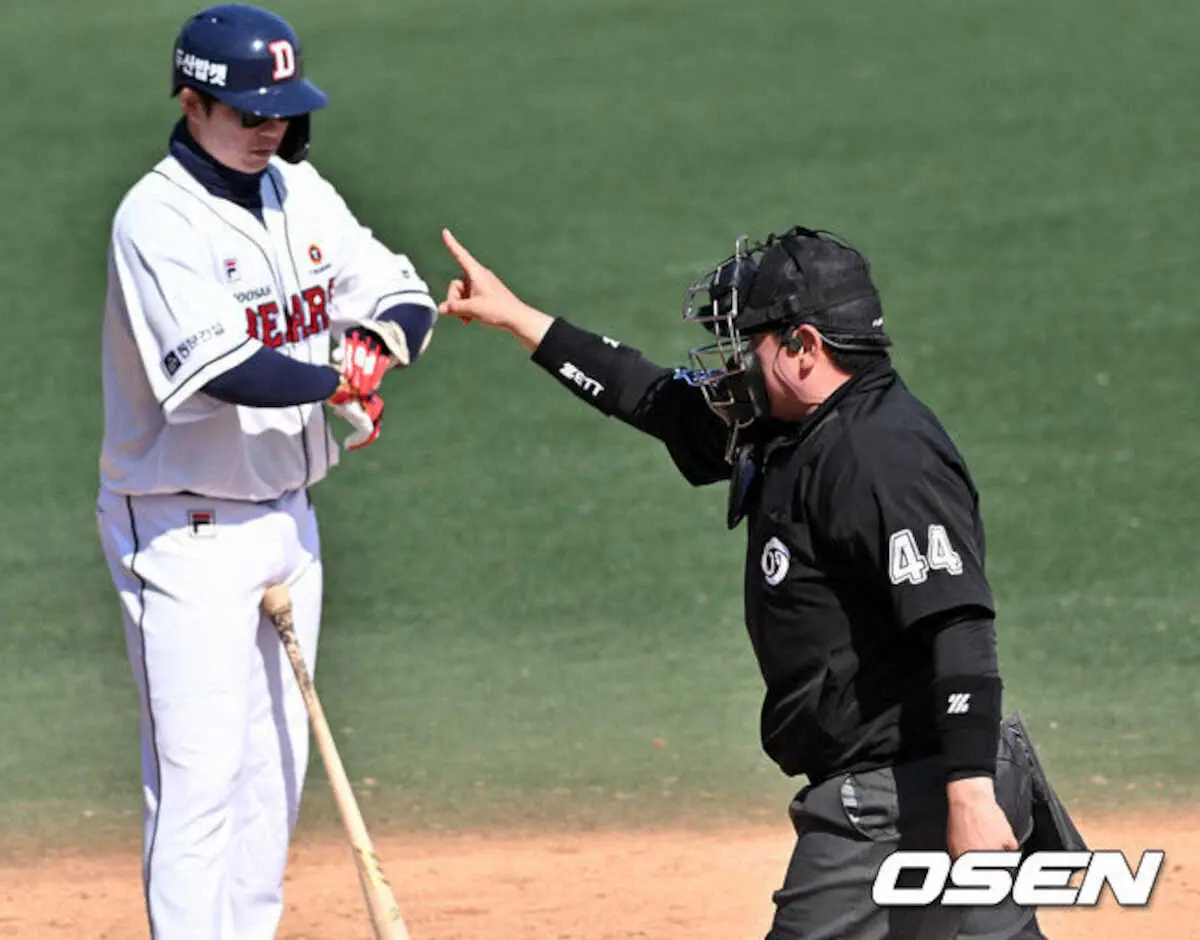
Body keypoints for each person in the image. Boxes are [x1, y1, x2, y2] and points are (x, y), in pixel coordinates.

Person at [437, 225, 1083, 939]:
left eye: (750, 344)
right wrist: (518, 317)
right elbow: (651, 396)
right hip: (912, 781)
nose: (734, 364)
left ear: (805, 346)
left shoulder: (883, 456)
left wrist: (968, 794)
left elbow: (957, 625)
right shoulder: (790, 420)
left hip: (904, 794)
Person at [95, 5, 438, 937]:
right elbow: (218, 368)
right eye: (248, 113)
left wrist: (373, 346)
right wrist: (336, 377)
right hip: (182, 530)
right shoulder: (155, 219)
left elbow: (403, 293)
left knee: (273, 777)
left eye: (280, 111)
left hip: (290, 520)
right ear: (193, 101)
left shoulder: (300, 192)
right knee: (199, 779)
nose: (269, 129)